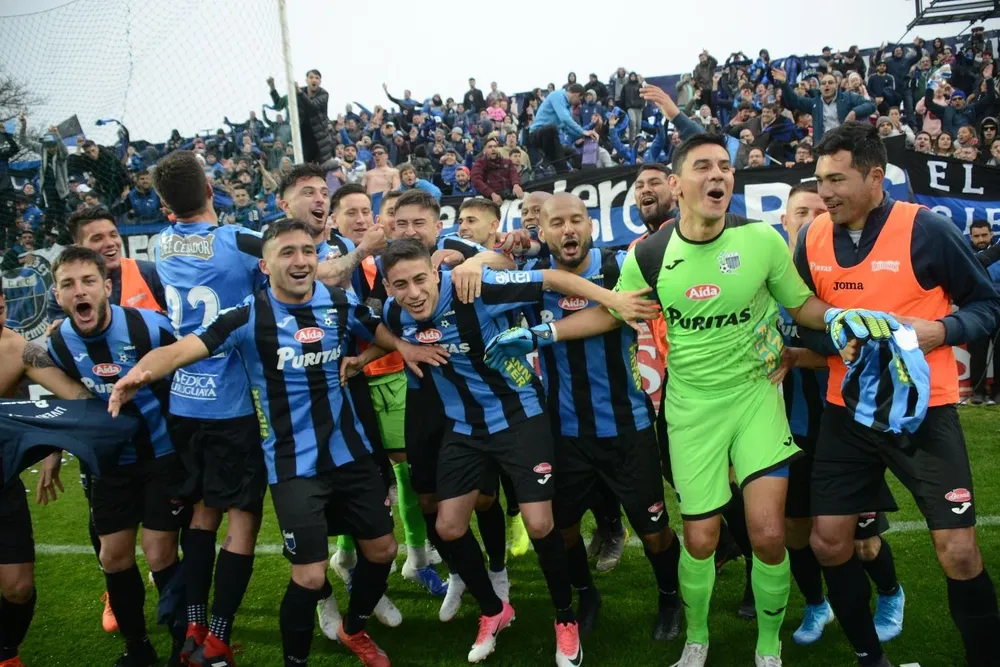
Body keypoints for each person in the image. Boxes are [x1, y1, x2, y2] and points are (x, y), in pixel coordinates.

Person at [512, 134, 895, 667]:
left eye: (725, 166)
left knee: (766, 536)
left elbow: (801, 304)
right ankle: (697, 640)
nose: (718, 175)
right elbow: (617, 312)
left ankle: (768, 648)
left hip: (756, 398)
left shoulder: (761, 240)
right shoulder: (648, 254)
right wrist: (543, 334)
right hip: (690, 409)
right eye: (703, 167)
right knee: (699, 540)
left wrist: (833, 317)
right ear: (677, 184)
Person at [110, 219, 436, 667]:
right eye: (287, 252)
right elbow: (182, 348)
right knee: (308, 575)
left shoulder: (339, 302)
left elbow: (373, 327)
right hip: (291, 465)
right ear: (264, 265)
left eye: (307, 251)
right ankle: (294, 661)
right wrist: (140, 372)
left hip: (350, 453)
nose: (300, 260)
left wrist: (398, 348)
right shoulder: (245, 316)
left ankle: (354, 628)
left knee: (382, 551)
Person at [378, 237, 658, 665]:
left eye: (420, 279)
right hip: (465, 430)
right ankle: (494, 610)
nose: (413, 293)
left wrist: (611, 297)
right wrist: (401, 347)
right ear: (388, 286)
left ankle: (564, 619)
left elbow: (549, 276)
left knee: (541, 523)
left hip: (519, 418)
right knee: (449, 528)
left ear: (435, 273)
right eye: (400, 285)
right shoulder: (393, 313)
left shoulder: (475, 287)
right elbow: (367, 327)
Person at [795, 122, 1000, 667]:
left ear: (876, 177)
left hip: (924, 415)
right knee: (828, 544)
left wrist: (943, 331)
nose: (827, 193)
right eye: (820, 180)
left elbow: (987, 306)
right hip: (846, 414)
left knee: (958, 552)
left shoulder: (926, 230)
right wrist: (837, 340)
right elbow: (802, 322)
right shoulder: (812, 237)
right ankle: (870, 657)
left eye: (837, 179)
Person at [491, 192, 684, 640]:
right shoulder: (534, 278)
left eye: (577, 220)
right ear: (543, 232)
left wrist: (543, 332)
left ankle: (670, 595)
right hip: (564, 430)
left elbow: (620, 314)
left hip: (627, 426)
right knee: (563, 529)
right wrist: (498, 250)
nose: (568, 230)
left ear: (592, 227)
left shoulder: (619, 268)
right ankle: (585, 592)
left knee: (654, 530)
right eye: (556, 223)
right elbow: (476, 275)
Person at [150, 150, 269, 666]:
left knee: (203, 513)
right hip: (233, 402)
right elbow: (292, 257)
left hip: (184, 399)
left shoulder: (158, 244)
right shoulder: (237, 241)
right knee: (243, 518)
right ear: (212, 191)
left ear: (162, 203)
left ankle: (194, 622)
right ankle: (218, 634)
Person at [778, 181, 904, 647]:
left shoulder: (845, 284)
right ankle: (816, 604)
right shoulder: (766, 288)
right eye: (799, 212)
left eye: (818, 212)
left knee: (862, 542)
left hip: (848, 430)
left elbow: (861, 352)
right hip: (785, 433)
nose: (810, 220)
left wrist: (798, 354)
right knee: (795, 533)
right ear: (785, 222)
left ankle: (890, 593)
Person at [47, 246, 187, 667]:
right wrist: (53, 450)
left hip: (161, 457)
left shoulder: (150, 326)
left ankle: (184, 646)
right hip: (107, 465)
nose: (79, 291)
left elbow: (189, 365)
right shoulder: (57, 343)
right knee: (114, 556)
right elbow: (64, 402)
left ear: (106, 287)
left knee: (161, 553)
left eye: (88, 281)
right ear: (57, 295)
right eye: (69, 284)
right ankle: (138, 647)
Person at [328, 183, 447, 596]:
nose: (362, 220)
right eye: (352, 213)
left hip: (394, 376)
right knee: (361, 476)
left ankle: (417, 555)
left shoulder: (398, 263)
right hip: (345, 383)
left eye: (367, 212)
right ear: (334, 221)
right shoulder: (330, 259)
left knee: (405, 471)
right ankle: (348, 555)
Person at [0, 285, 98, 667]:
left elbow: (74, 397)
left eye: (2, 304)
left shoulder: (20, 350)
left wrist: (54, 447)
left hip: (2, 482)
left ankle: (7, 651)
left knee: (19, 588)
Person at [773, 68, 875, 142]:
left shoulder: (847, 97)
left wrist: (854, 112)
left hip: (845, 144)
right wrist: (784, 83)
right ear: (820, 87)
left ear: (836, 86)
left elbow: (871, 105)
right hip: (823, 147)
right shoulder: (814, 103)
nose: (826, 85)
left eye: (830, 82)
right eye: (824, 83)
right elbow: (794, 100)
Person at [529, 84, 599, 173]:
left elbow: (568, 129)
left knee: (571, 154)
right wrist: (583, 131)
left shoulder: (567, 109)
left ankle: (566, 175)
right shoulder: (557, 95)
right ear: (577, 95)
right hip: (536, 136)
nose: (579, 103)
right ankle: (546, 160)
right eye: (580, 99)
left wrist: (585, 135)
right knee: (551, 128)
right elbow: (565, 119)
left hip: (551, 139)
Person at [967, 219, 1000, 405]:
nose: (980, 239)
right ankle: (977, 391)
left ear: (991, 235)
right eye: (976, 236)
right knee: (977, 351)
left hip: (998, 305)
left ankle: (997, 391)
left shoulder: (996, 252)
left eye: (984, 235)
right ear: (970, 236)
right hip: (976, 309)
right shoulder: (964, 252)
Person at [470, 138, 524, 205]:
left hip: (510, 195)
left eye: (495, 146)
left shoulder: (507, 162)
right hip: (491, 200)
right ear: (484, 150)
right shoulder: (479, 164)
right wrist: (491, 194)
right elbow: (476, 180)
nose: (493, 149)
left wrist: (516, 185)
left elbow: (513, 173)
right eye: (490, 147)